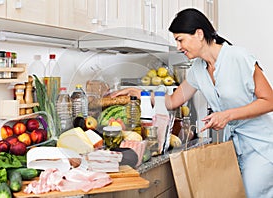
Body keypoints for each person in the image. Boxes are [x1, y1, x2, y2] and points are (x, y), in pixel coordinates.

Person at [111, 8, 273, 198]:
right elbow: (173, 101)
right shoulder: (198, 69)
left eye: (180, 39)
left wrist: (227, 115)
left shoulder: (238, 57)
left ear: (199, 33)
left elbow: (269, 101)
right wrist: (141, 93)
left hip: (260, 146)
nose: (179, 47)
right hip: (233, 148)